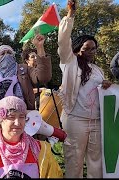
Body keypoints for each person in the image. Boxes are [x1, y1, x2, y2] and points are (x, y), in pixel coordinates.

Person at [57, 0, 112, 178]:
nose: (92, 52)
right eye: (87, 48)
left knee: (96, 162)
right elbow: (63, 41)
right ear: (78, 49)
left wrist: (106, 85)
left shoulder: (98, 70)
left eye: (94, 49)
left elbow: (103, 91)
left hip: (97, 121)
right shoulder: (70, 63)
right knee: (74, 160)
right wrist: (70, 16)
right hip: (76, 120)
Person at [0, 96, 63, 178]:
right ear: (1, 121)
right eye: (11, 117)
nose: (17, 123)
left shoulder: (40, 149)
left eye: (21, 117)